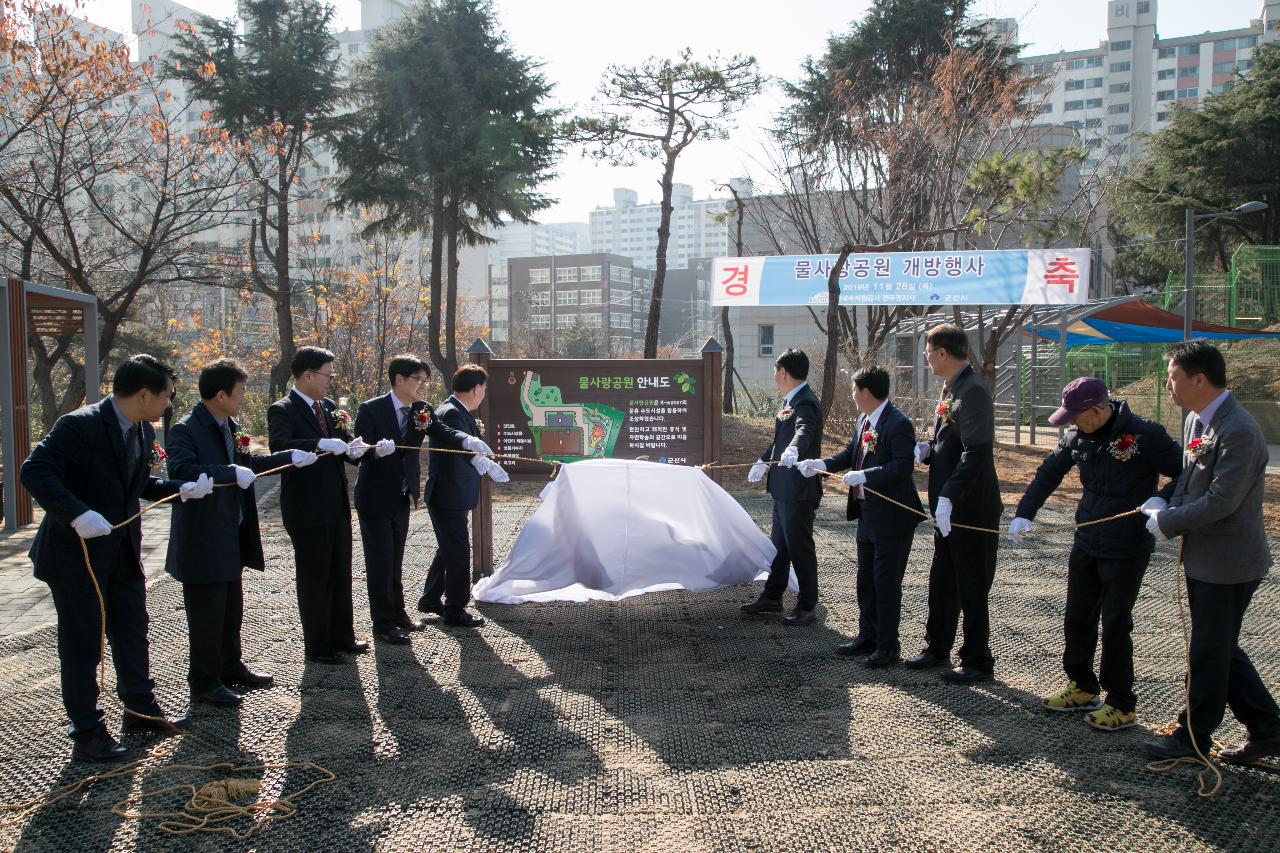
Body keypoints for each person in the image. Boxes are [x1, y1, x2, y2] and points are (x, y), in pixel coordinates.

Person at [20, 354, 214, 761]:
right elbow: (34, 471)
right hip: (77, 556)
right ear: (143, 393)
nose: (169, 403)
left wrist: (181, 489)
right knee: (83, 644)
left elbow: (138, 482)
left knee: (131, 629)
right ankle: (88, 732)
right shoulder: (81, 424)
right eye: (166, 395)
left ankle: (140, 708)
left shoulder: (143, 430)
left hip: (122, 550)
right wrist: (77, 513)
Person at [1009, 377, 1182, 731]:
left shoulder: (1144, 434)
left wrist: (1165, 498)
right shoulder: (1078, 436)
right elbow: (1049, 473)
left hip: (1127, 545)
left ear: (1099, 409)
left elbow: (1187, 472)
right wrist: (1024, 512)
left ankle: (1121, 702)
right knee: (1077, 615)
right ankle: (1083, 686)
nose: (1072, 423)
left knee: (1116, 622)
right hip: (1087, 538)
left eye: (1077, 416)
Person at [1141, 341, 1280, 765]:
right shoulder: (1197, 421)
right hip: (1204, 558)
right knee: (1218, 646)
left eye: (1173, 377)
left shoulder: (1239, 430)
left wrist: (1168, 521)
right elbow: (1188, 478)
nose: (1168, 386)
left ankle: (1193, 736)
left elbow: (1223, 501)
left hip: (1230, 562)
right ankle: (1269, 729)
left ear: (1199, 379)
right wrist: (1168, 500)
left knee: (1208, 649)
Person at [165, 359, 317, 705]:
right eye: (240, 391)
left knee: (232, 609)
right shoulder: (187, 429)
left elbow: (248, 464)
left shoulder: (229, 424)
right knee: (206, 615)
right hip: (203, 537)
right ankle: (204, 681)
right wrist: (227, 472)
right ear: (220, 394)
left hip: (231, 533)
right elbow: (182, 470)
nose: (243, 397)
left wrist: (289, 457)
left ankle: (230, 666)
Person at [354, 355, 488, 643]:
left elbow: (442, 430)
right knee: (381, 561)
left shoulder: (422, 409)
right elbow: (357, 450)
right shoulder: (372, 409)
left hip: (403, 495)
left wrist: (468, 441)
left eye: (426, 380)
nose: (424, 386)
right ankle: (383, 624)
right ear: (399, 379)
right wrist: (375, 450)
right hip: (375, 496)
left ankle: (399, 612)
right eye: (419, 380)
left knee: (396, 559)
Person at [799, 366, 923, 665]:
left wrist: (866, 475)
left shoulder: (898, 423)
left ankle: (888, 646)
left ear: (866, 392)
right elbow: (849, 453)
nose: (853, 395)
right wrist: (821, 463)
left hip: (892, 517)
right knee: (865, 579)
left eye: (855, 390)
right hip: (867, 514)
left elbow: (903, 466)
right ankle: (867, 636)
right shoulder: (863, 419)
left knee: (886, 581)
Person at [909, 324, 1002, 683]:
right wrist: (928, 450)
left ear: (943, 353)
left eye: (928, 352)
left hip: (970, 506)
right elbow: (951, 442)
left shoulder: (974, 391)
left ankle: (978, 660)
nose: (926, 359)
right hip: (948, 508)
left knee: (972, 584)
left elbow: (977, 451)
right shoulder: (952, 387)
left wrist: (949, 495)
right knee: (943, 578)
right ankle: (937, 647)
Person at [268, 347, 372, 664]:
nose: (330, 381)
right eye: (327, 374)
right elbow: (279, 447)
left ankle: (343, 635)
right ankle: (317, 644)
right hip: (306, 507)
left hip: (336, 504)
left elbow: (343, 444)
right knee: (314, 578)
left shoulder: (327, 407)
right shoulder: (283, 409)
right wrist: (317, 443)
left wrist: (361, 448)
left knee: (340, 572)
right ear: (308, 375)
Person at [416, 364, 508, 627]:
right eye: (484, 389)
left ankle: (431, 598)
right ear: (476, 388)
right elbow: (458, 445)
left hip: (452, 493)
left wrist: (486, 462)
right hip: (448, 494)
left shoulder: (458, 411)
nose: (484, 394)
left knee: (447, 547)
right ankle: (455, 609)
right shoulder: (452, 413)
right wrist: (482, 462)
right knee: (457, 551)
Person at [741, 348, 825, 625]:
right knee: (779, 547)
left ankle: (807, 605)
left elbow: (803, 430)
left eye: (776, 371)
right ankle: (773, 596)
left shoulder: (806, 402)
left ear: (783, 372)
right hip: (783, 489)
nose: (775, 376)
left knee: (800, 548)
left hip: (798, 491)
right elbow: (781, 439)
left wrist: (793, 450)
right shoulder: (792, 400)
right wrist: (763, 460)